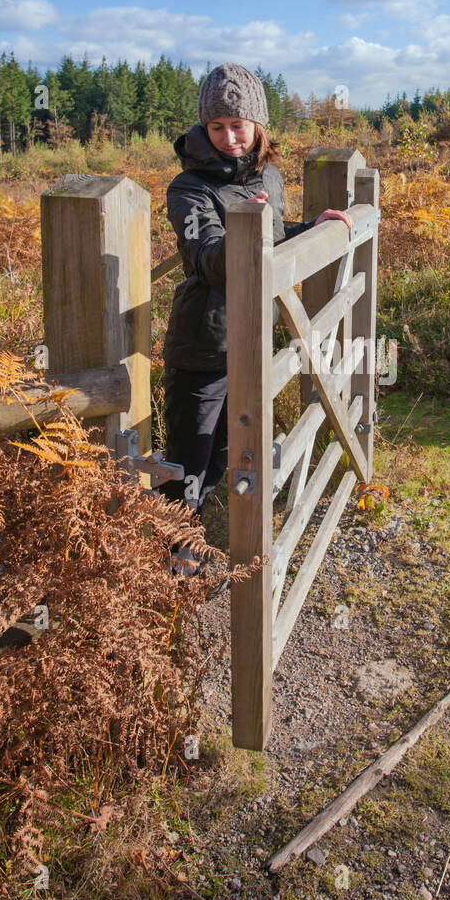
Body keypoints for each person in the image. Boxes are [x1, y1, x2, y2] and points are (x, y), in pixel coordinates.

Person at [160, 62, 352, 575]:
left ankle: (199, 550)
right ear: (204, 127)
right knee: (186, 466)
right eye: (216, 127)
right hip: (203, 348)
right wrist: (253, 224)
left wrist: (311, 226)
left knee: (227, 452)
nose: (229, 138)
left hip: (251, 344)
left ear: (258, 124)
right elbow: (208, 256)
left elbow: (273, 238)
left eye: (238, 125)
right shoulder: (188, 189)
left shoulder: (268, 176)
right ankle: (170, 571)